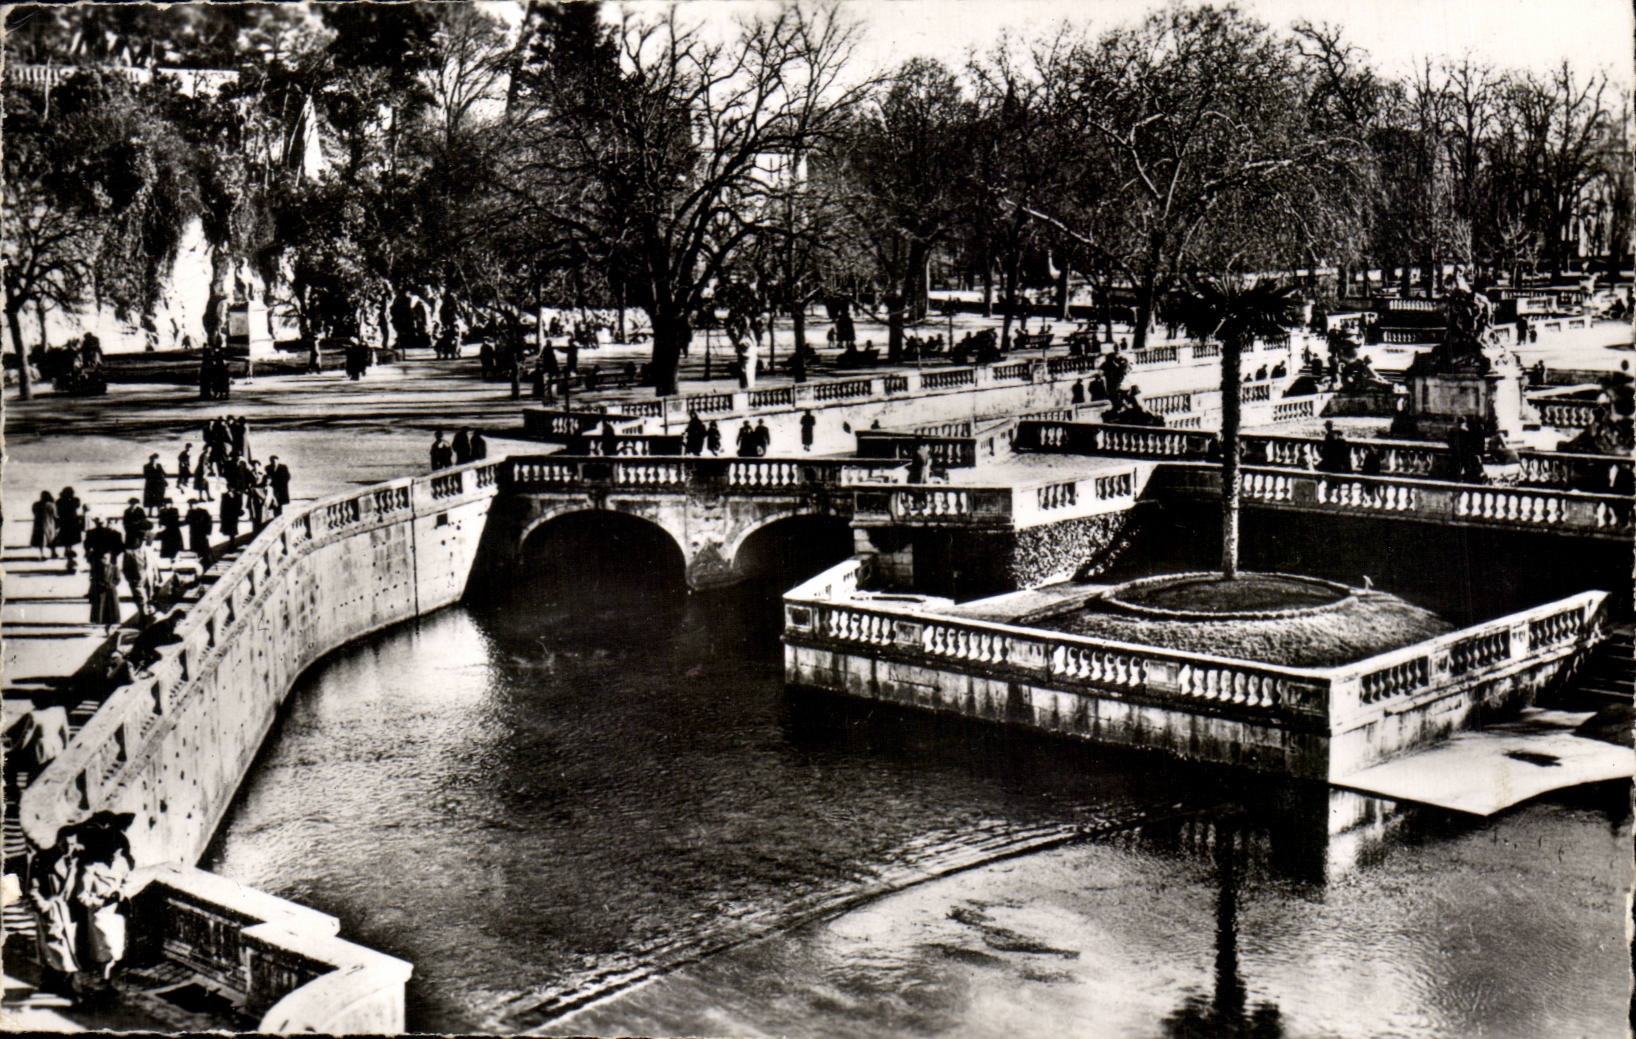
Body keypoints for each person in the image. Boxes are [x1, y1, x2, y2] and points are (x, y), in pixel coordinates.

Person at [26, 835, 82, 995]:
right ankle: (66, 986)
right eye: (65, 843)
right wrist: (44, 908)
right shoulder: (43, 859)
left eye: (72, 844)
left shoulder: (72, 860)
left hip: (67, 911)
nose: (69, 847)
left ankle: (56, 984)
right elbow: (32, 889)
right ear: (58, 842)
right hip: (52, 910)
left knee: (67, 947)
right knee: (55, 947)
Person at [84, 520, 124, 630]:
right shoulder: (96, 532)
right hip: (100, 561)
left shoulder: (111, 533)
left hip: (106, 561)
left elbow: (119, 547)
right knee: (97, 579)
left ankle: (106, 621)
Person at [121, 536, 156, 620]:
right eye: (139, 540)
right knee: (140, 599)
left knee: (149, 597)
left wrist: (155, 576)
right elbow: (125, 568)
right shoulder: (129, 553)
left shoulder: (146, 550)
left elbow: (152, 565)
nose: (141, 542)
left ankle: (149, 616)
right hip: (136, 580)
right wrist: (130, 579)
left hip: (148, 578)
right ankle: (143, 617)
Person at [55, 487, 85, 574]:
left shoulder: (59, 501)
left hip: (64, 521)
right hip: (73, 521)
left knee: (65, 536)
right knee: (71, 537)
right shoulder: (75, 500)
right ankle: (70, 549)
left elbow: (58, 510)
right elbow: (77, 506)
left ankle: (66, 549)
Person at [186, 499, 215, 570]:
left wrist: (208, 533)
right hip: (194, 534)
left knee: (204, 550)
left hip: (202, 534)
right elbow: (187, 521)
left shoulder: (203, 512)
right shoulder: (190, 512)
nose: (192, 506)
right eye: (191, 505)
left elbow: (209, 522)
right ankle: (198, 566)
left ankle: (207, 564)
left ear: (196, 504)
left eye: (193, 505)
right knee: (195, 550)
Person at [31, 490, 58, 559]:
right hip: (49, 523)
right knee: (51, 538)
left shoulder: (36, 504)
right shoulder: (51, 505)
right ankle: (53, 552)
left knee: (40, 539)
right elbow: (55, 515)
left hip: (38, 523)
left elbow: (34, 512)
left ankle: (42, 554)